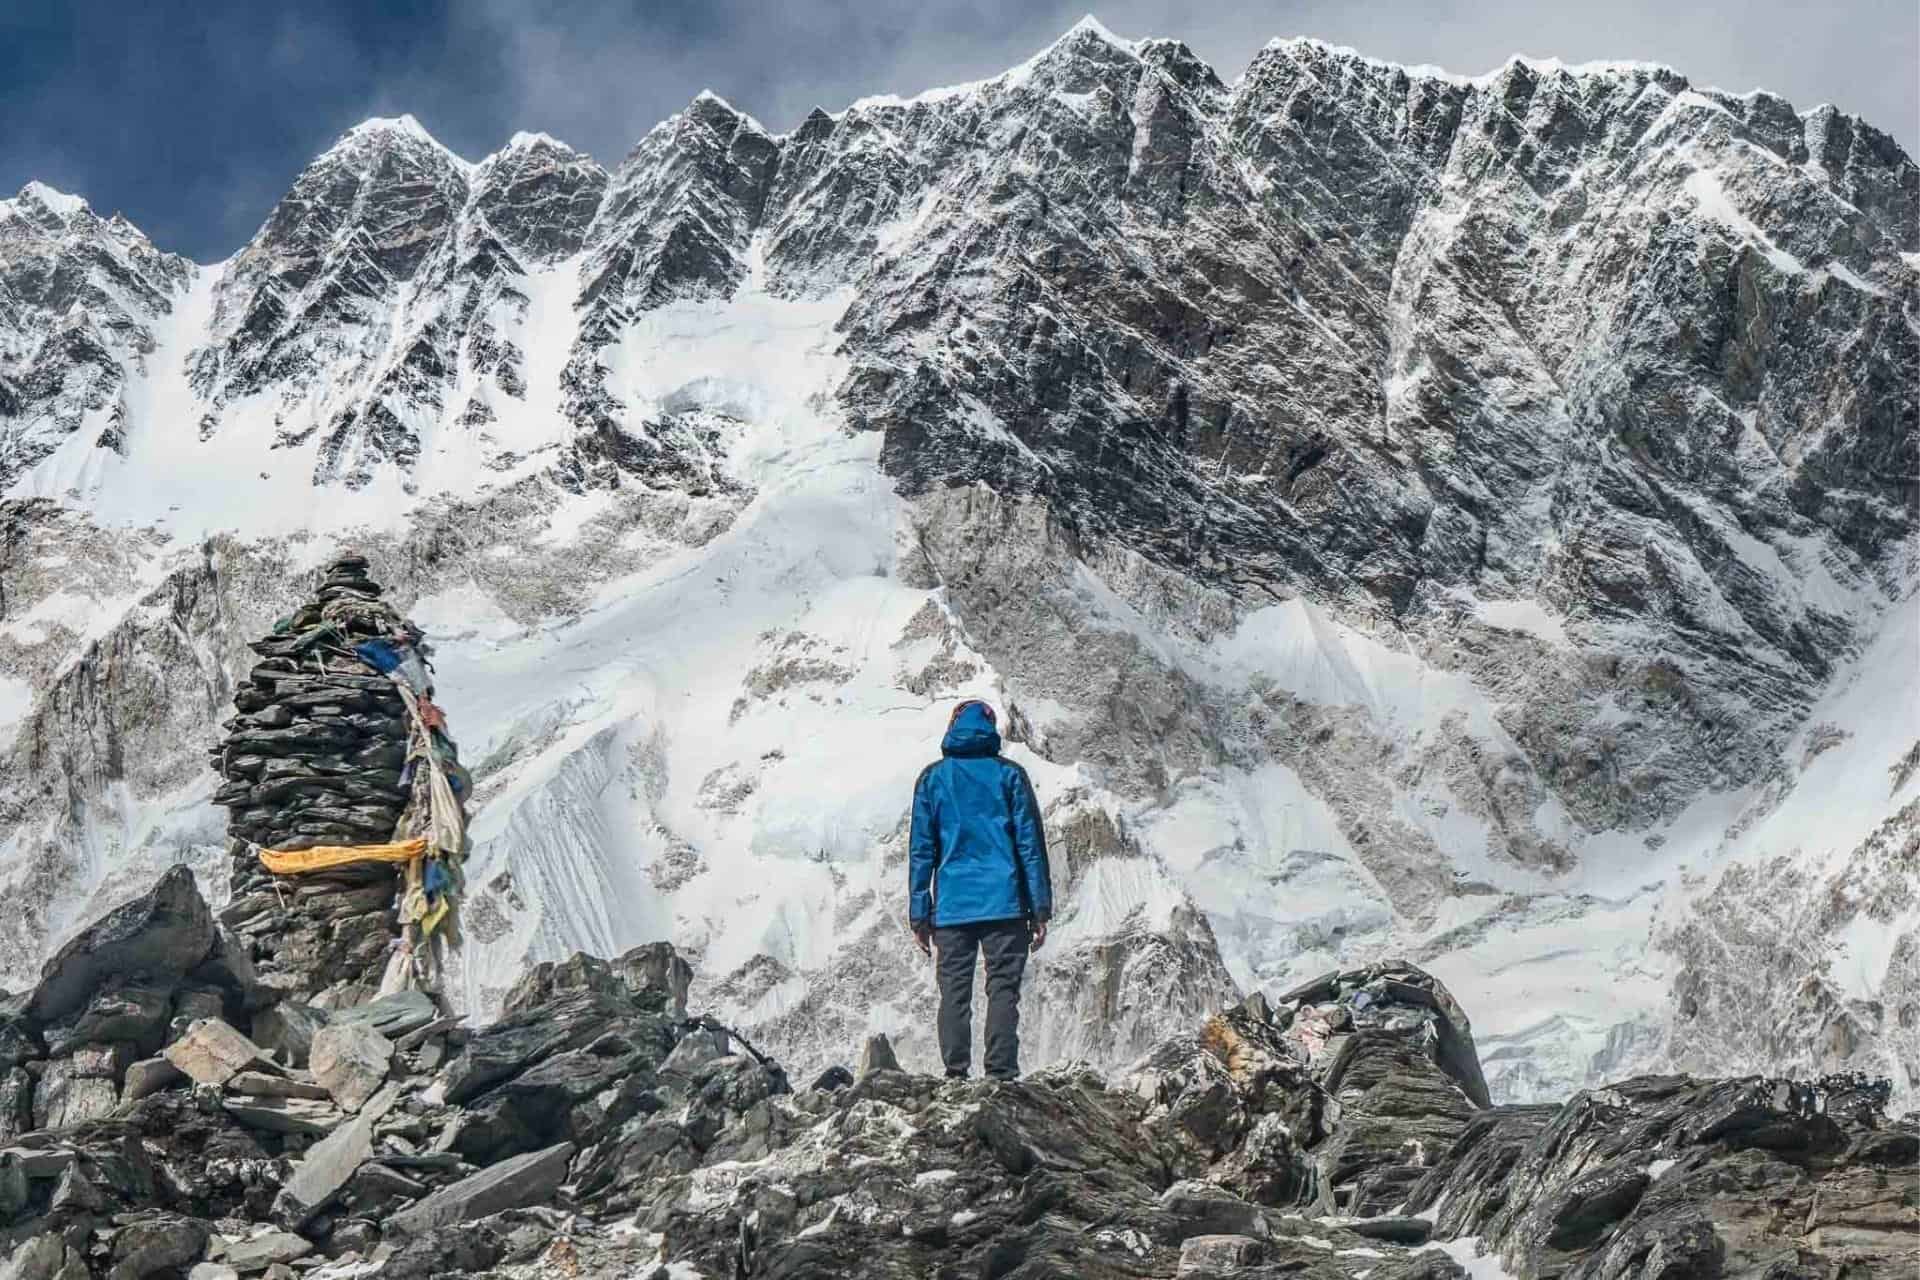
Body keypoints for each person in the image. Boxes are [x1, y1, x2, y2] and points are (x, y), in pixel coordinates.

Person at [907, 699, 1053, 1080]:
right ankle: (1000, 1074)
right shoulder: (1011, 776)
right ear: (991, 730)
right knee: (1003, 990)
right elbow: (1030, 847)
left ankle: (955, 1073)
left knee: (954, 994)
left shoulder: (932, 779)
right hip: (1005, 906)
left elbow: (922, 851)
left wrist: (920, 914)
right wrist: (1039, 908)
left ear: (953, 727)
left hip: (953, 909)